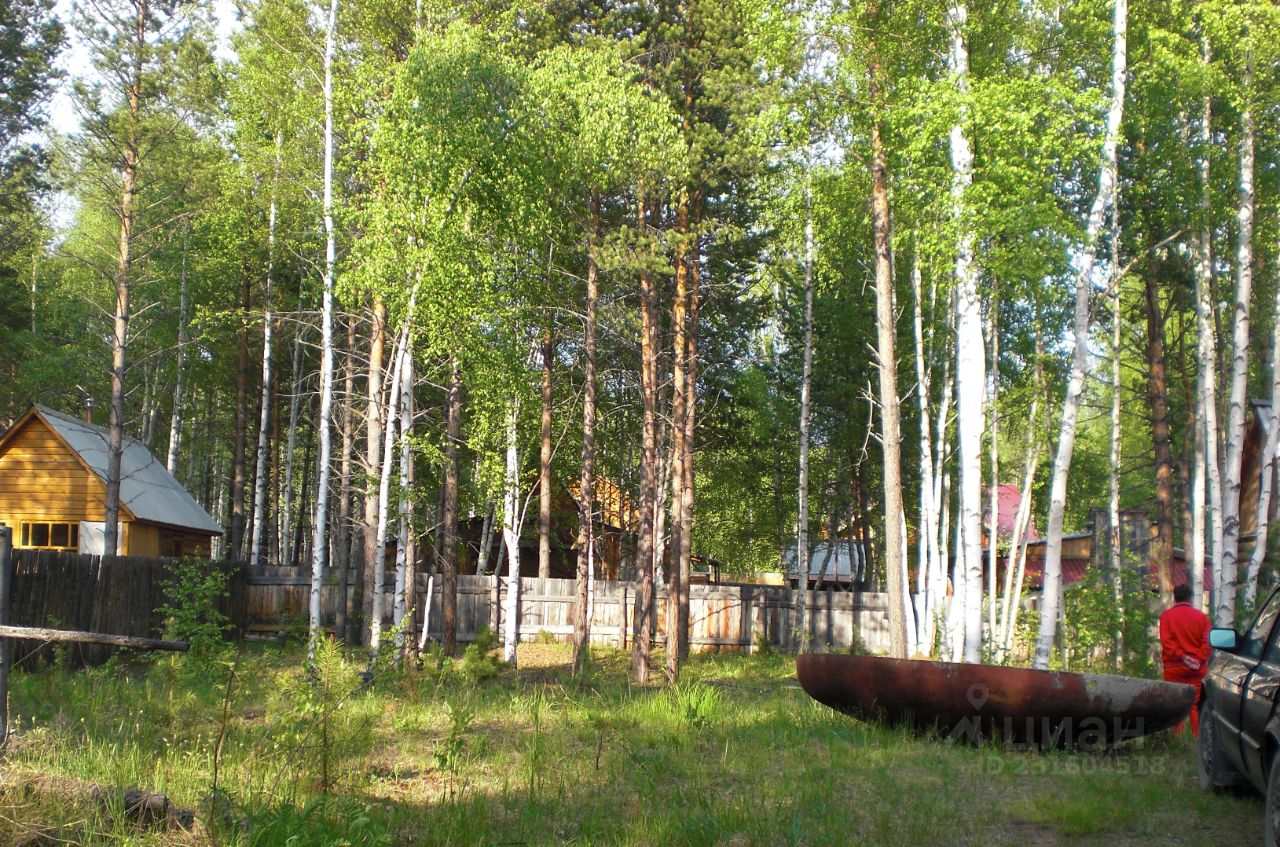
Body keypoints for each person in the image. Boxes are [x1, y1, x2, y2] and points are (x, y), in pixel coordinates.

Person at [1159, 583, 1211, 735]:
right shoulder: (1202, 618)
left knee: (1175, 703)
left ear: (1175, 597)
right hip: (1196, 668)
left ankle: (1178, 738)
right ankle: (1196, 737)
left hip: (1174, 667)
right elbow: (1207, 642)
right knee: (1194, 704)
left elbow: (1167, 643)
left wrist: (1182, 657)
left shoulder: (1167, 616)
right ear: (1190, 597)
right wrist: (1197, 659)